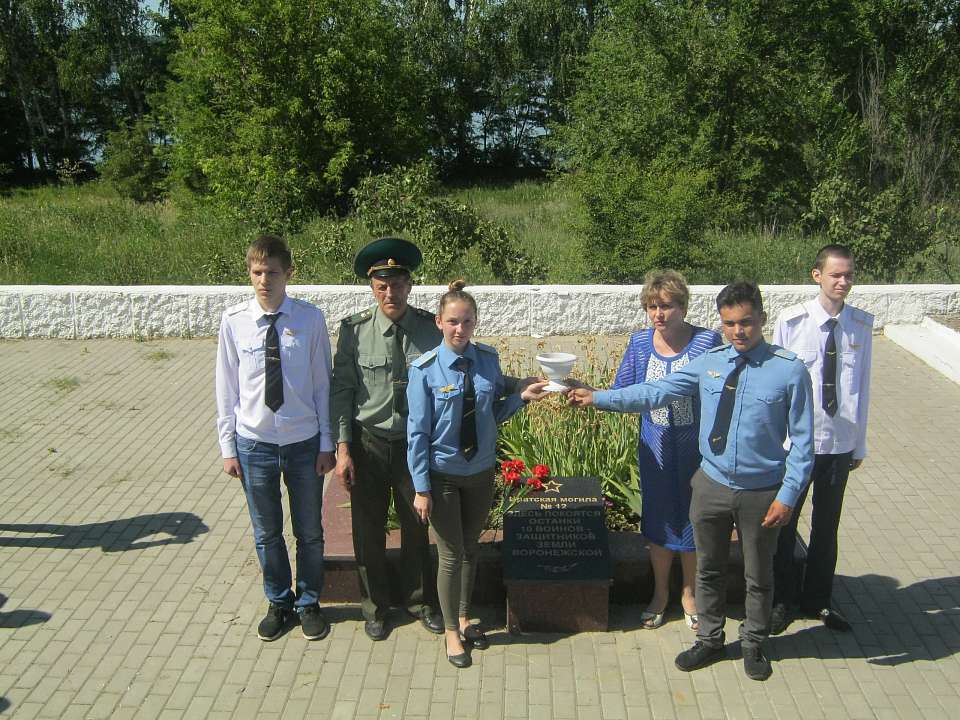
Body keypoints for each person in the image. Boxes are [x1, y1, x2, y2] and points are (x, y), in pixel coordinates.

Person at [568, 281, 814, 681]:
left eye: (746, 323)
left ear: (762, 320)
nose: (738, 332)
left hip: (760, 490)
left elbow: (804, 443)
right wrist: (597, 397)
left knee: (758, 575)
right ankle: (711, 639)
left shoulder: (788, 371)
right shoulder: (710, 362)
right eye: (730, 323)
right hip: (711, 485)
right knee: (709, 570)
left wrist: (787, 496)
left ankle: (754, 643)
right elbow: (654, 393)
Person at [406, 281, 548, 668]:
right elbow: (417, 434)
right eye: (452, 321)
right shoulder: (424, 371)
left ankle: (465, 617)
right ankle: (451, 631)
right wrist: (421, 488)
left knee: (471, 548)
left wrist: (520, 397)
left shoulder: (487, 360)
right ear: (438, 322)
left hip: (480, 472)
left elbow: (491, 416)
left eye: (467, 321)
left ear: (474, 323)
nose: (460, 329)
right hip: (443, 476)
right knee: (451, 554)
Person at [215, 234, 335, 642]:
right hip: (255, 444)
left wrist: (326, 443)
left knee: (310, 531)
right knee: (266, 532)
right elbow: (226, 388)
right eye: (257, 272)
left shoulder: (310, 319)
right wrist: (228, 446)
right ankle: (279, 601)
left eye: (272, 272)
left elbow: (323, 384)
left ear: (289, 274)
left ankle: (309, 602)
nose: (264, 280)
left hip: (304, 442)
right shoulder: (234, 322)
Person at [330, 237, 445, 641]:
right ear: (372, 288)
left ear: (410, 285)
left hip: (415, 443)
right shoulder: (354, 331)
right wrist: (343, 449)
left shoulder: (431, 330)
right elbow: (342, 391)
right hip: (369, 441)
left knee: (418, 523)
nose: (390, 293)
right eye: (382, 286)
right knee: (368, 528)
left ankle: (420, 601)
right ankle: (375, 607)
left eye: (397, 284)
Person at [609, 271, 721, 630]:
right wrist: (587, 394)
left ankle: (689, 595)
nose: (659, 314)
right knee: (659, 523)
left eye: (667, 306)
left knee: (693, 522)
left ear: (683, 307)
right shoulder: (641, 344)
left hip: (695, 450)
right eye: (652, 306)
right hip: (654, 448)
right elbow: (622, 390)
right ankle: (659, 594)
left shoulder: (707, 343)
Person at [770, 245, 873, 634]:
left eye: (849, 275)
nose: (843, 282)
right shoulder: (792, 323)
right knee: (784, 525)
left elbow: (862, 388)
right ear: (817, 276)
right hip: (797, 445)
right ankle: (782, 601)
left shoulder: (861, 326)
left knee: (827, 526)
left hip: (839, 444)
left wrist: (858, 445)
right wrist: (776, 442)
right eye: (836, 275)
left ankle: (819, 601)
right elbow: (777, 383)